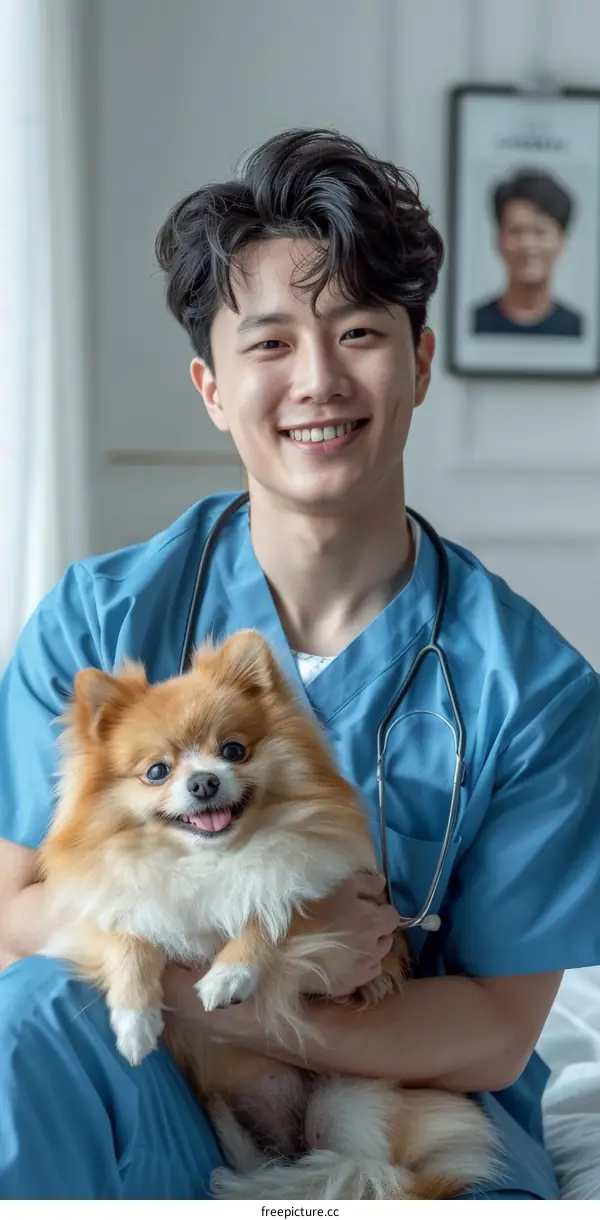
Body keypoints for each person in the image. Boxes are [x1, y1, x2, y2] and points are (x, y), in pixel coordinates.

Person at [0, 127, 599, 1202]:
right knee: (25, 1019)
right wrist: (227, 971)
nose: (318, 379)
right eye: (270, 343)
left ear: (419, 359)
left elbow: (497, 1035)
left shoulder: (532, 690)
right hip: (163, 1087)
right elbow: (10, 909)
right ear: (212, 387)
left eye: (359, 331)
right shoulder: (100, 622)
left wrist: (271, 993)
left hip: (398, 1104)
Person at [472, 168, 584, 337]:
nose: (527, 246)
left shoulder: (577, 328)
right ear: (498, 239)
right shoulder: (475, 323)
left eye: (540, 232)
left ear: (561, 241)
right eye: (516, 232)